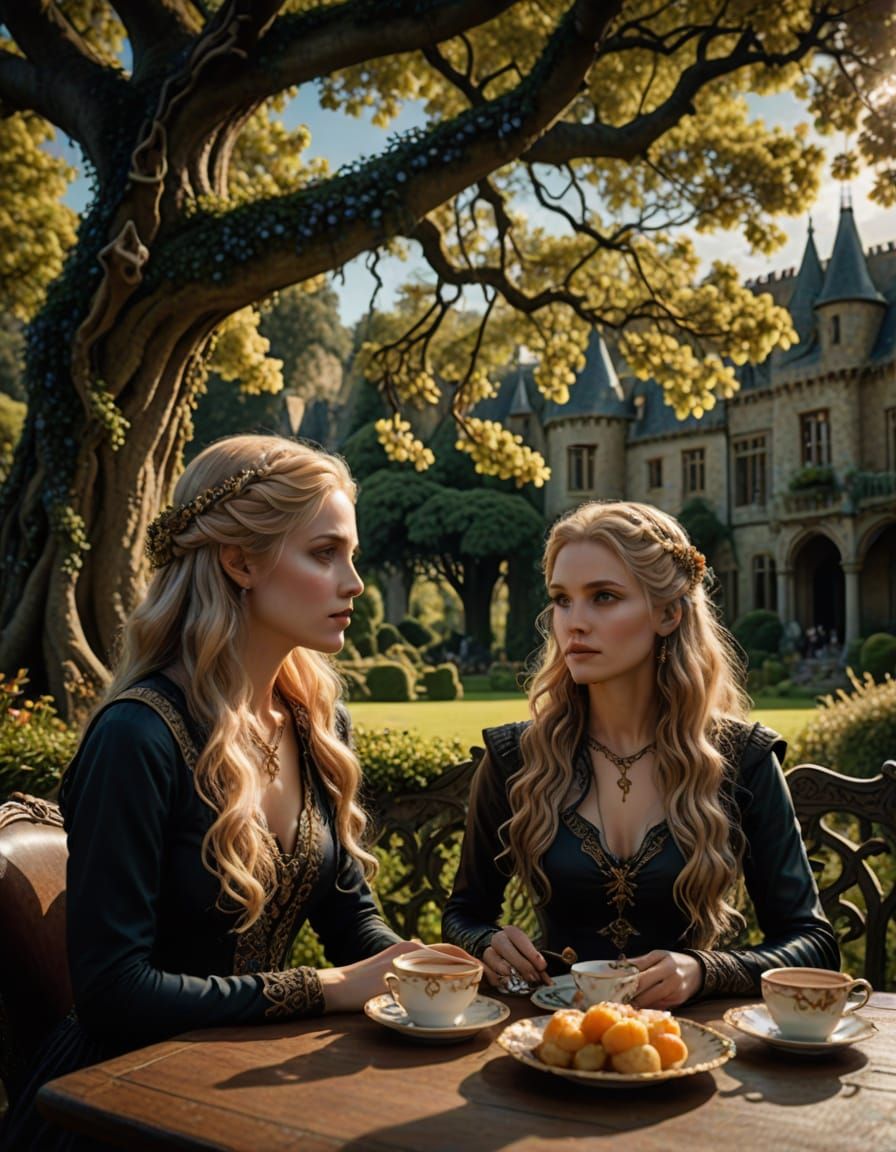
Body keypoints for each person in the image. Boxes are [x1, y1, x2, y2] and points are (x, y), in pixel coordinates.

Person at [2, 434, 424, 1150]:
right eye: (324, 553)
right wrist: (324, 987)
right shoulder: (138, 736)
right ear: (240, 560)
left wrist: (421, 970)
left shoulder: (315, 722)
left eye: (349, 554)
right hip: (116, 1104)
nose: (354, 582)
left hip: (248, 1079)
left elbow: (354, 921)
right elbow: (113, 995)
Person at [443, 500, 838, 1008]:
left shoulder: (743, 759)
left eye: (603, 597)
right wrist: (486, 944)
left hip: (686, 1049)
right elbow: (463, 915)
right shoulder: (515, 758)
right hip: (552, 1038)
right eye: (562, 600)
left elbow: (814, 944)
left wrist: (705, 969)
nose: (574, 623)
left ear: (669, 612)